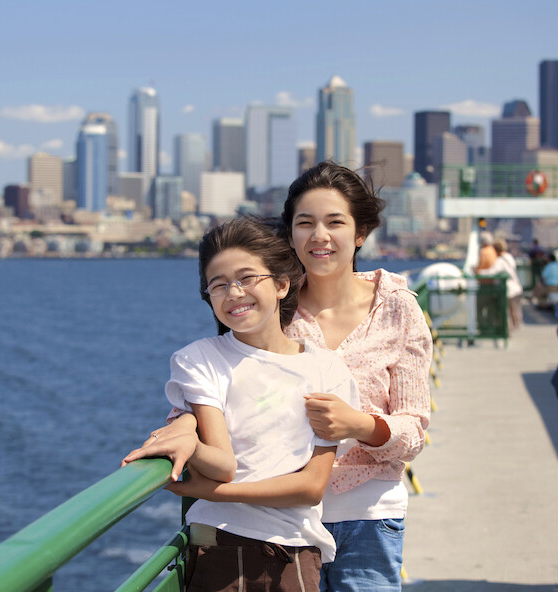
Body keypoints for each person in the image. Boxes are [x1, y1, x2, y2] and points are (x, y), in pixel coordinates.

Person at [131, 162, 432, 592]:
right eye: (305, 223)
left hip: (368, 515)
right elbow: (216, 382)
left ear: (360, 233)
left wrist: (359, 425)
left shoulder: (397, 307)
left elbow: (414, 430)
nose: (319, 236)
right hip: (272, 522)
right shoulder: (267, 301)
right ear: (289, 234)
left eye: (335, 222)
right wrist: (181, 424)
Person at [122, 217, 361, 592]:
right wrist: (190, 441)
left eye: (247, 278)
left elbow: (312, 487)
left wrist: (205, 492)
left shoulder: (325, 368)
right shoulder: (199, 359)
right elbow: (223, 464)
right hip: (218, 547)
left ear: (282, 284)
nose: (233, 293)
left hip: (295, 554)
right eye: (218, 285)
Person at [478, 238, 523, 330]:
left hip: (508, 290)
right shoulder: (509, 257)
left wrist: (478, 272)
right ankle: (515, 326)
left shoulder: (500, 261)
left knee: (506, 311)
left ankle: (507, 330)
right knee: (514, 310)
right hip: (516, 288)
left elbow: (491, 272)